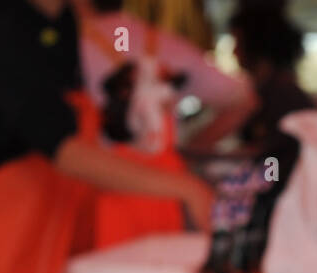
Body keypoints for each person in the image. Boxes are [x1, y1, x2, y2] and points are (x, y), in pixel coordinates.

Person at [0, 0, 213, 273]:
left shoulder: (61, 22)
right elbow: (65, 151)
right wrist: (185, 188)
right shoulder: (0, 29)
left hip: (50, 245)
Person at [78, 0, 253, 247]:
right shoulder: (169, 45)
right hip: (166, 191)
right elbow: (244, 100)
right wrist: (194, 147)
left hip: (101, 187)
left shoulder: (72, 48)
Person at [227, 3, 315, 167]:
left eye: (237, 43)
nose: (234, 52)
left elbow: (272, 164)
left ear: (255, 46)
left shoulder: (276, 97)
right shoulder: (278, 90)